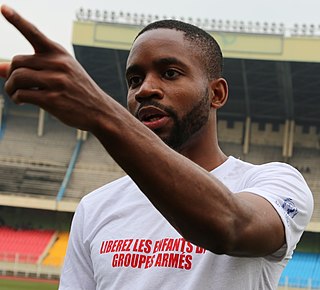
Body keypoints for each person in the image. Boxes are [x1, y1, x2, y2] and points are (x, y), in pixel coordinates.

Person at [0, 5, 314, 290]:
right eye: (134, 80)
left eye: (170, 73)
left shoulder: (275, 183)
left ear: (216, 94)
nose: (145, 90)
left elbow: (231, 227)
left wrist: (100, 113)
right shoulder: (95, 208)